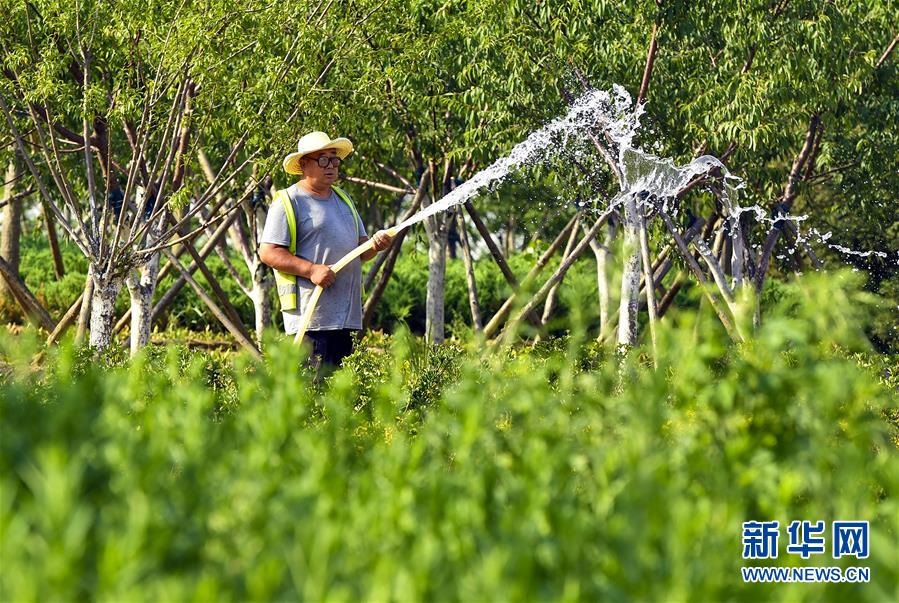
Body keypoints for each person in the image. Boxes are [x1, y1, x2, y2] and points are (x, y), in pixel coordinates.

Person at [259, 131, 393, 371]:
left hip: (347, 317)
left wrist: (376, 245)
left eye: (334, 159)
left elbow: (362, 251)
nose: (331, 165)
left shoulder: (344, 200)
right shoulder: (289, 201)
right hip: (313, 320)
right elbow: (268, 252)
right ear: (303, 164)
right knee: (313, 387)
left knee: (341, 389)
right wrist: (311, 270)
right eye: (323, 160)